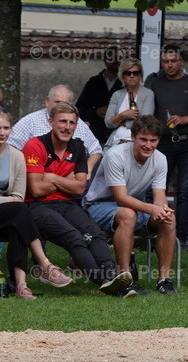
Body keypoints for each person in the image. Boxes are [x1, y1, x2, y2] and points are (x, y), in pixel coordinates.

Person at [23, 103, 133, 295]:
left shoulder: (78, 147)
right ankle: (105, 282)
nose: (67, 127)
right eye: (62, 121)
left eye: (72, 123)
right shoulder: (35, 145)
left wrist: (53, 177)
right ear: (51, 122)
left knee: (93, 233)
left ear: (76, 126)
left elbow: (80, 187)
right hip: (37, 206)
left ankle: (112, 276)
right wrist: (67, 181)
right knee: (73, 237)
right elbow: (36, 189)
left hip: (66, 203)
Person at [85, 115, 177, 296]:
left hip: (133, 206)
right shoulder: (115, 155)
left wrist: (162, 210)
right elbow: (121, 198)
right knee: (127, 214)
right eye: (143, 139)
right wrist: (153, 209)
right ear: (133, 137)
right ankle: (124, 278)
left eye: (153, 140)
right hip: (98, 205)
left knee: (169, 219)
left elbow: (159, 196)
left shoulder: (160, 159)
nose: (148, 145)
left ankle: (164, 280)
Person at [0, 109, 74, 298]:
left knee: (18, 221)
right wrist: (10, 201)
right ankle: (45, 265)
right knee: (20, 210)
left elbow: (18, 194)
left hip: (7, 213)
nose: (2, 132)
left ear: (11, 130)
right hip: (11, 208)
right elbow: (15, 200)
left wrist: (10, 202)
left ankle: (21, 286)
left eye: (6, 128)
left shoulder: (16, 156)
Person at [146, 45, 188, 243]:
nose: (169, 65)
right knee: (157, 188)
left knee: (185, 190)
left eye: (173, 61)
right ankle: (155, 230)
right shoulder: (154, 83)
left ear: (181, 61)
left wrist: (185, 119)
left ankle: (180, 236)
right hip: (162, 142)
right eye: (165, 61)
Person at [9, 85, 103, 175]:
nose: (60, 106)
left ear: (71, 105)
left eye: (65, 103)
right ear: (47, 101)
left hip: (70, 180)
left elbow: (96, 150)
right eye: (57, 102)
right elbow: (10, 146)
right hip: (37, 176)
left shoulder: (79, 124)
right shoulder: (30, 121)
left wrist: (85, 170)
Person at [104, 58, 156, 148]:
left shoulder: (148, 93)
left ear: (140, 75)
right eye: (128, 73)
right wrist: (122, 115)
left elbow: (146, 123)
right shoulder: (117, 94)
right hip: (115, 142)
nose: (132, 76)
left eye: (135, 73)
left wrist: (122, 123)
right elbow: (108, 123)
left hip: (137, 144)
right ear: (123, 75)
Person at [76, 47, 123, 143]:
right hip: (96, 137)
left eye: (120, 58)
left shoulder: (126, 84)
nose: (116, 61)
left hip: (119, 137)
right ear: (105, 61)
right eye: (112, 58)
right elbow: (79, 109)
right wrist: (96, 112)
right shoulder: (94, 83)